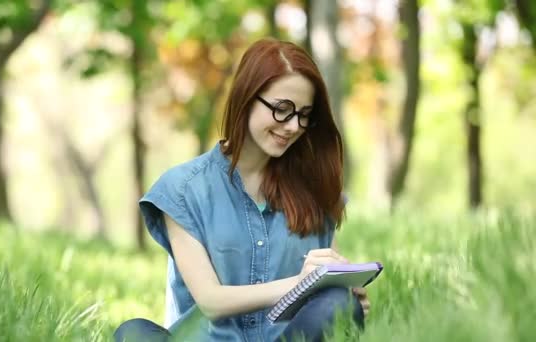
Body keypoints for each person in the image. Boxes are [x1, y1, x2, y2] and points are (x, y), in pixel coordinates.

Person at [114, 38, 369, 342]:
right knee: (133, 332)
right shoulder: (183, 189)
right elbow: (210, 300)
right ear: (247, 97)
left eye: (303, 115)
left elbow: (328, 274)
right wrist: (299, 283)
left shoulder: (313, 190)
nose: (292, 126)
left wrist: (345, 292)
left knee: (339, 305)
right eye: (282, 109)